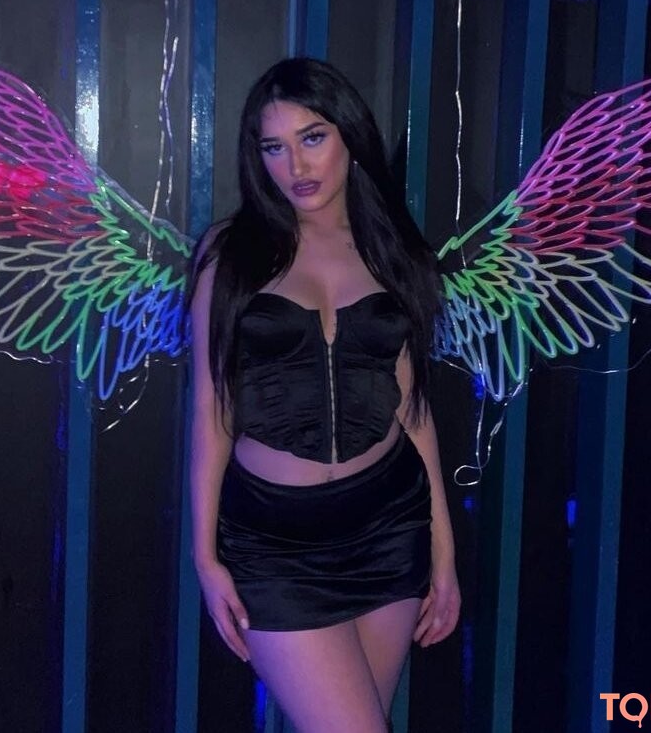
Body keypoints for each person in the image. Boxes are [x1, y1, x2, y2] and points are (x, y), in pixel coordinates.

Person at [188, 58, 460, 733]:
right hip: (274, 545)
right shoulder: (230, 255)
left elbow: (413, 409)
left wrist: (443, 551)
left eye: (312, 137)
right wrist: (205, 555)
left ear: (349, 135)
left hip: (387, 526)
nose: (295, 165)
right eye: (273, 146)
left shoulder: (391, 249)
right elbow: (212, 411)